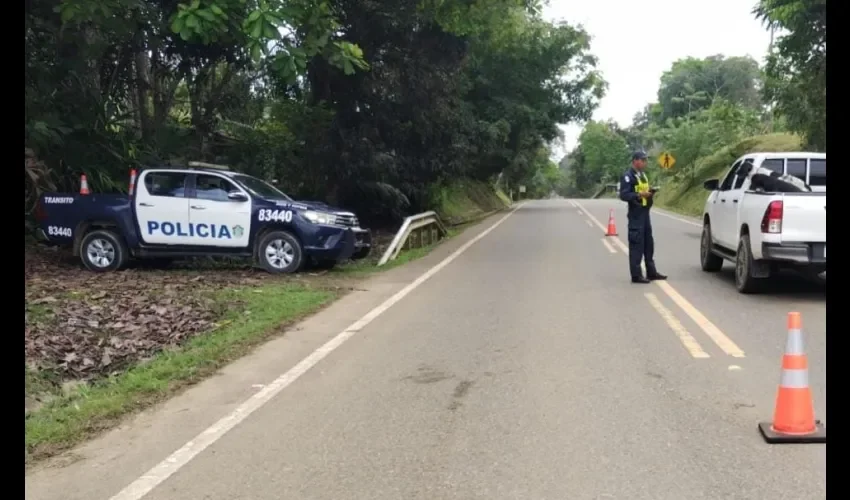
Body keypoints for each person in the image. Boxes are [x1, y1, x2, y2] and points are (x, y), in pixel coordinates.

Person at [618, 151, 667, 284]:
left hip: (645, 212)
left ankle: (651, 272)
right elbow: (624, 195)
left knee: (648, 243)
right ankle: (636, 275)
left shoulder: (643, 175)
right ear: (635, 160)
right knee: (636, 244)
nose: (645, 163)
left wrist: (650, 192)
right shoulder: (628, 176)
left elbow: (644, 189)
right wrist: (639, 195)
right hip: (635, 214)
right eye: (643, 160)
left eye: (646, 160)